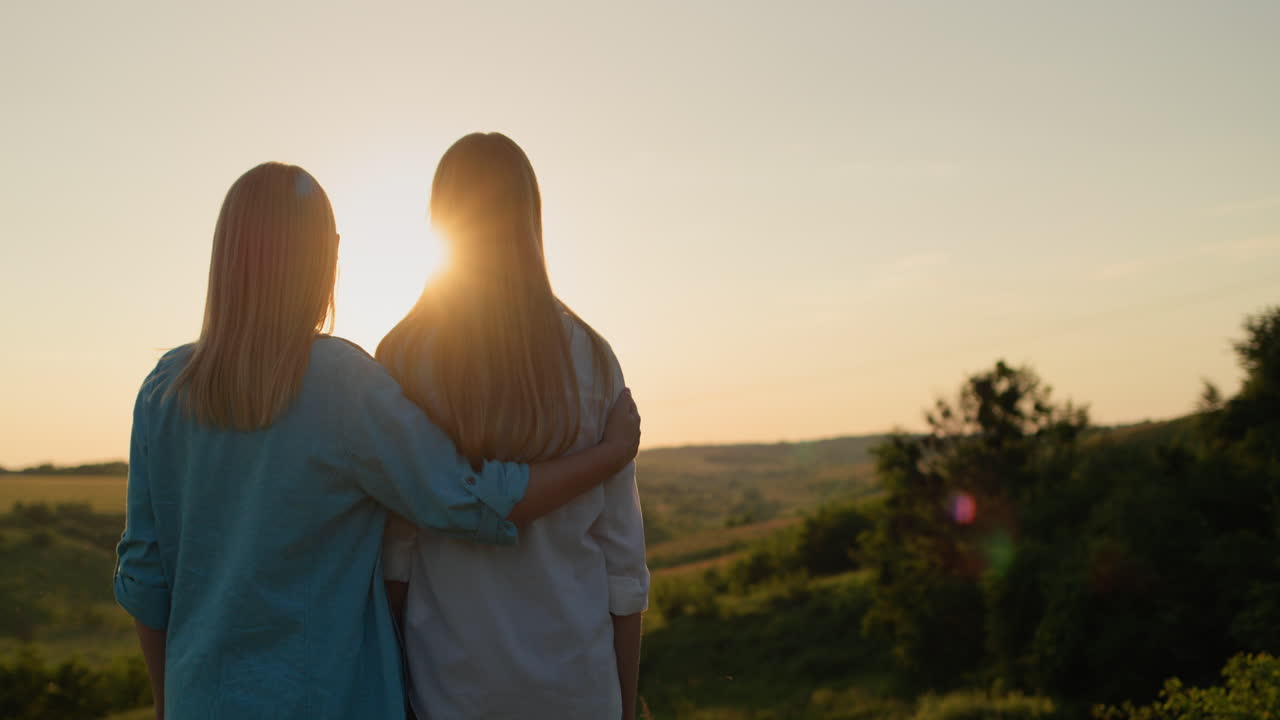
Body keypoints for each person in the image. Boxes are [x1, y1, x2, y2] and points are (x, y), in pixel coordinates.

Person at [113, 162, 641, 720]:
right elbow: (473, 502)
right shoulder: (341, 384)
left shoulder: (163, 390)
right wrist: (607, 456)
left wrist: (170, 702)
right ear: (327, 255)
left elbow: (145, 577)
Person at [377, 132, 649, 720]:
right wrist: (625, 705)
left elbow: (395, 556)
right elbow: (622, 565)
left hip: (452, 690)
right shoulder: (594, 359)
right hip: (578, 692)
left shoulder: (403, 361)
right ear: (531, 217)